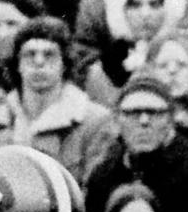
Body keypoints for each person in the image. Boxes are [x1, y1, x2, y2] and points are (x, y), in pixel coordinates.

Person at [85, 73, 188, 212]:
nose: (144, 121)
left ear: (170, 119)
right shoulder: (102, 177)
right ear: (117, 119)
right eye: (133, 113)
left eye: (154, 113)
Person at [6, 17, 112, 186]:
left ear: (64, 63)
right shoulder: (2, 115)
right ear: (17, 64)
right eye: (30, 54)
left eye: (49, 55)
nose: (39, 62)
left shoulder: (94, 120)